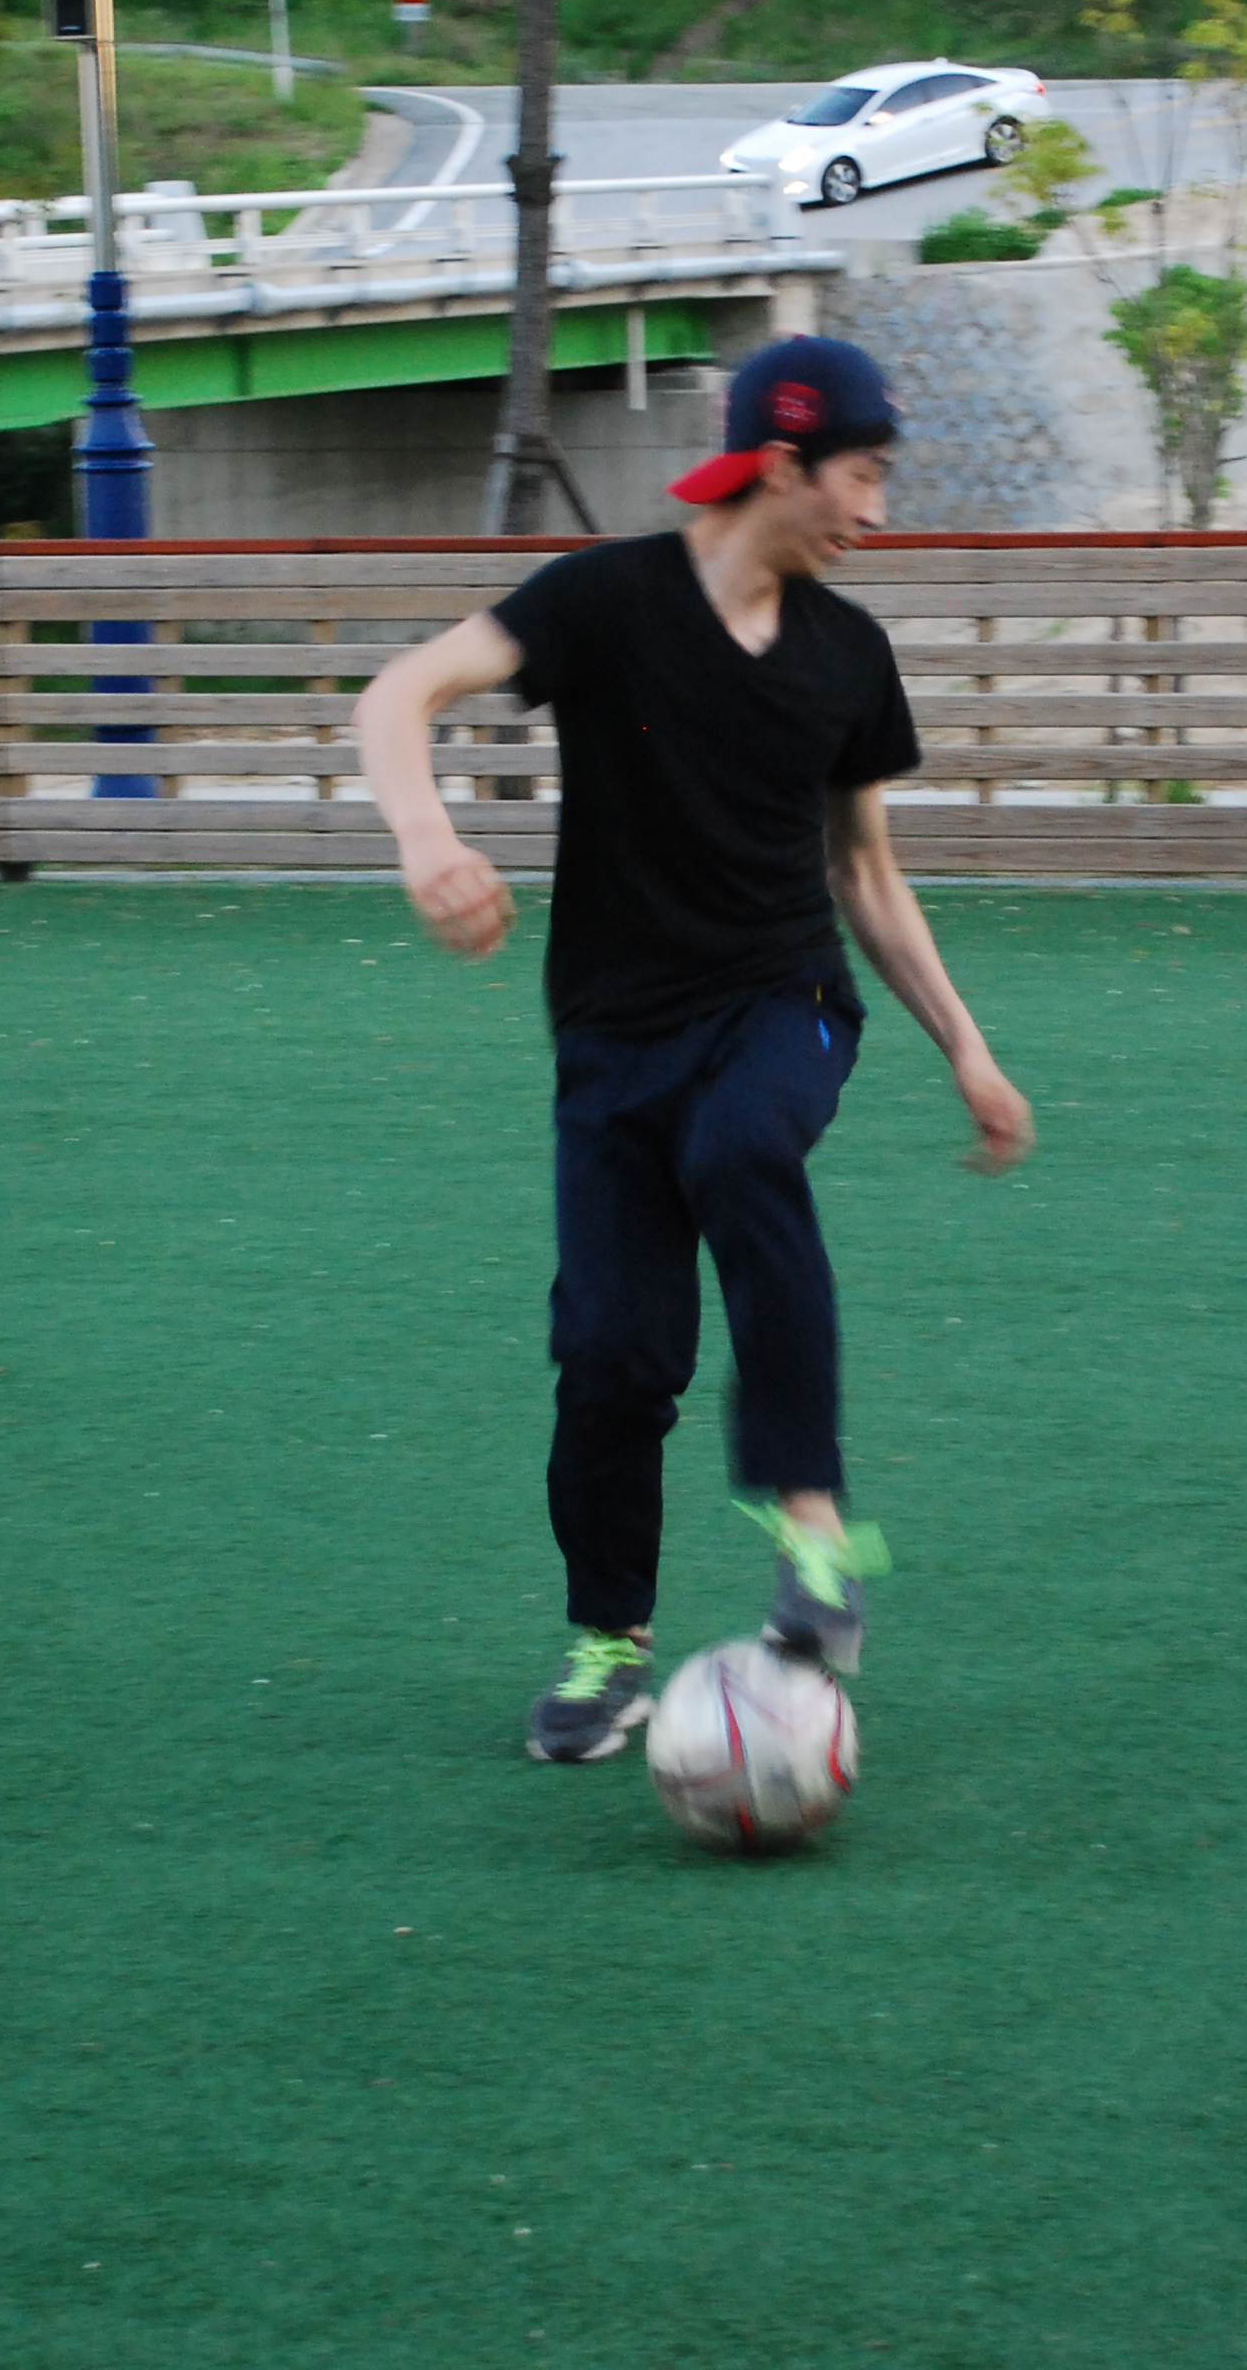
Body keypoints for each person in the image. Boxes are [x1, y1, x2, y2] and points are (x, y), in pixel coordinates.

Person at [355, 338, 1036, 1763]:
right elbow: (397, 694)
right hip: (613, 1043)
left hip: (786, 1001)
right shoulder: (602, 602)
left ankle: (814, 1538)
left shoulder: (847, 654)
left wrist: (966, 1049)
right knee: (611, 1356)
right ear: (783, 465)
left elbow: (865, 873)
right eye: (864, 476)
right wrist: (427, 843)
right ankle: (610, 1646)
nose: (877, 511)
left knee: (741, 1147)